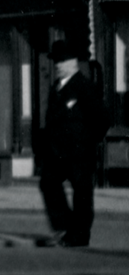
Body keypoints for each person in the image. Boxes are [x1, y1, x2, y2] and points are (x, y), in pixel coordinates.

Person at [37, 40, 108, 248]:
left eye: (62, 61)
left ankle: (79, 236)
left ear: (73, 63)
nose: (58, 65)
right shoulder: (56, 88)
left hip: (79, 153)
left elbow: (102, 119)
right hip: (57, 153)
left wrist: (87, 143)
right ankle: (64, 227)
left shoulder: (84, 86)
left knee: (82, 193)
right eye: (56, 61)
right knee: (48, 182)